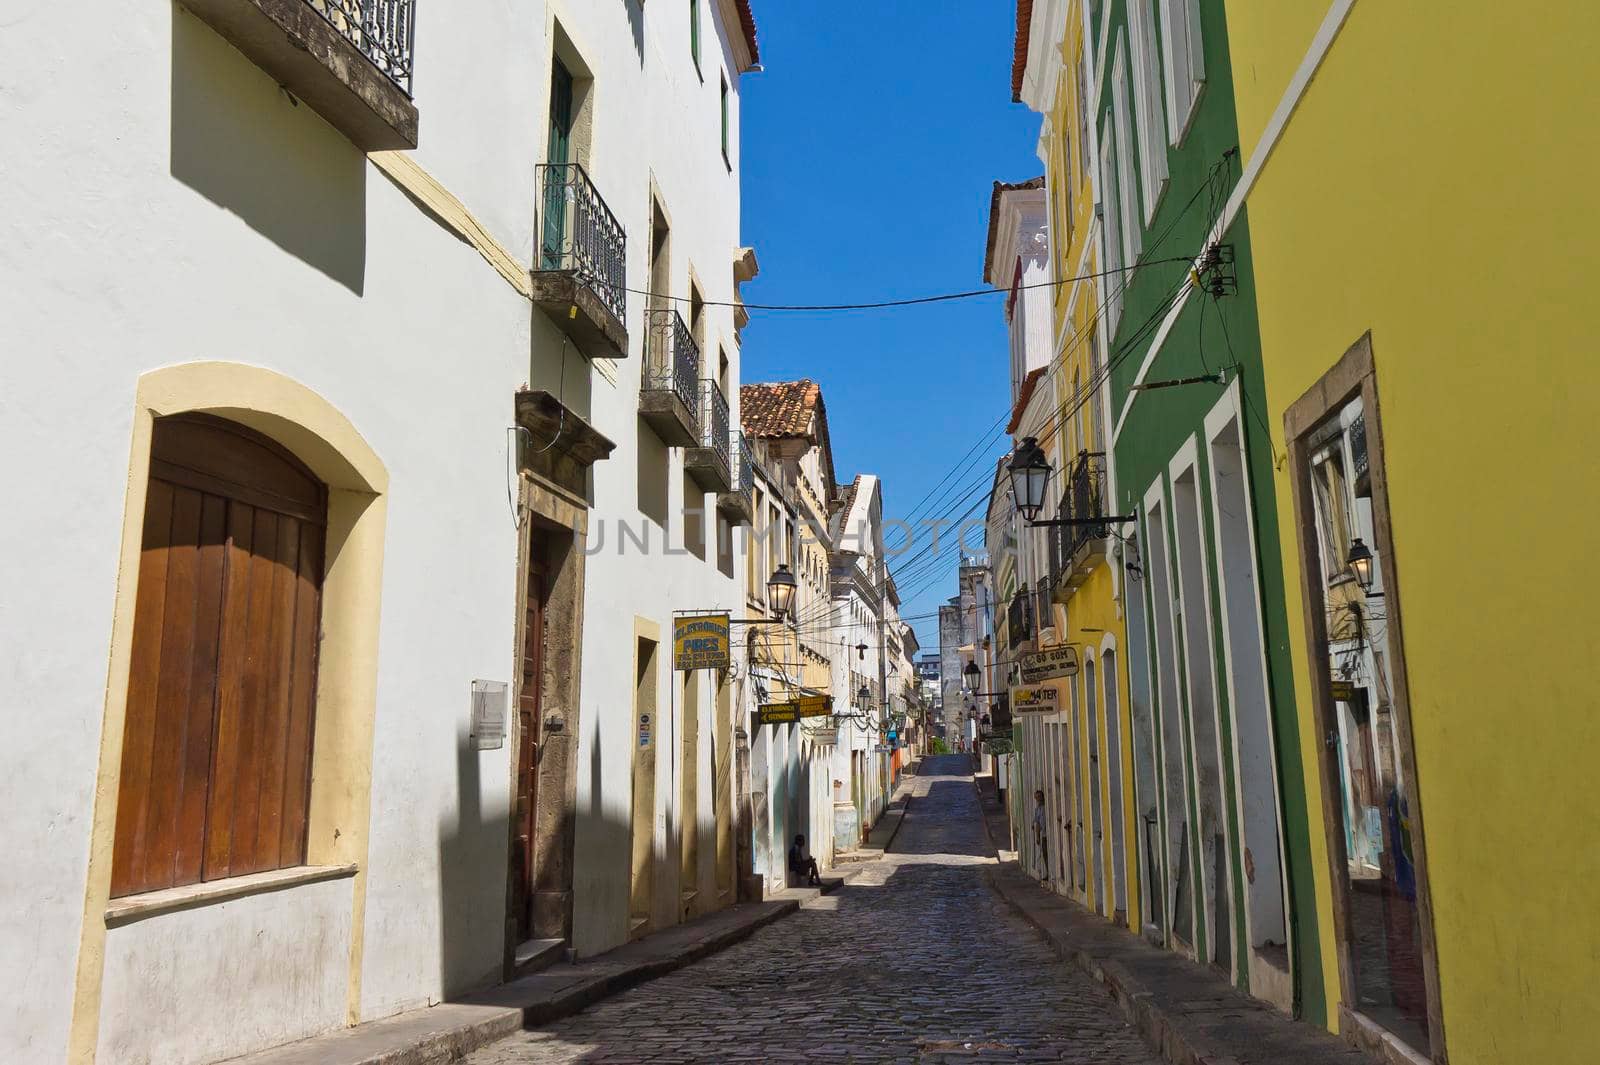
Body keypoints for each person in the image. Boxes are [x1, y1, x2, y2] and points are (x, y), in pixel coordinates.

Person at [1032, 790, 1048, 878]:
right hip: (1044, 834)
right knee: (1045, 854)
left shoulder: (1046, 806)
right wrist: (1037, 836)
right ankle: (1047, 872)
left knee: (1046, 854)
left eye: (1039, 797)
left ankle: (1048, 873)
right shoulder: (1038, 809)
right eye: (1036, 798)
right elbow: (1037, 823)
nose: (1038, 799)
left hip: (1048, 834)